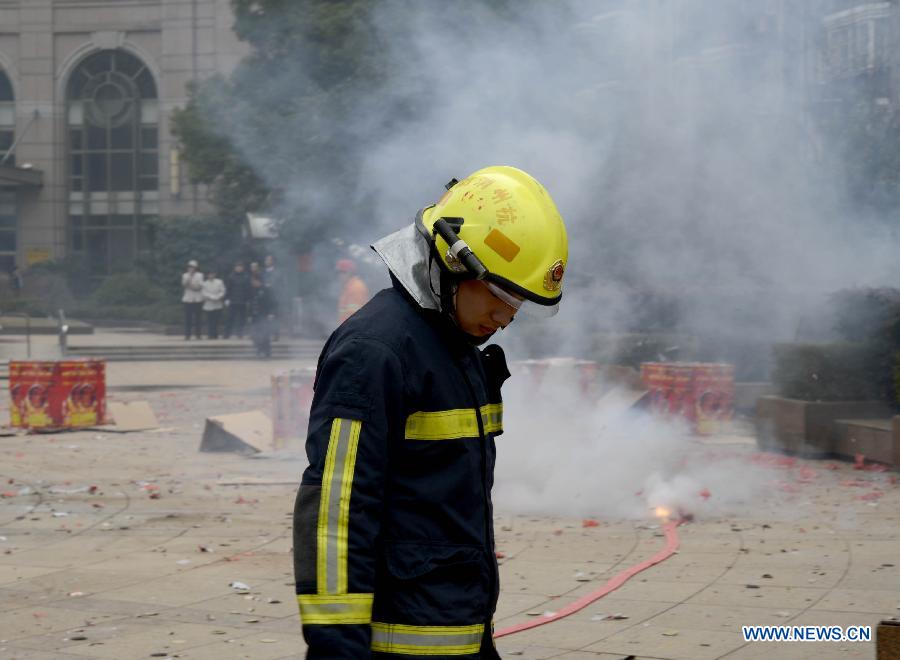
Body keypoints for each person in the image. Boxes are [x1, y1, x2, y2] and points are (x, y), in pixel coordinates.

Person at [292, 166, 569, 657]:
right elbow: (336, 515)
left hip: (456, 629)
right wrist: (337, 648)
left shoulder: (454, 343)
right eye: (503, 296)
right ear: (451, 260)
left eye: (521, 304)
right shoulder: (374, 352)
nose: (507, 318)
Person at [335, 258, 370, 325]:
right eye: (338, 272)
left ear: (351, 273)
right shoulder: (348, 287)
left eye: (343, 272)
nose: (340, 275)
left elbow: (354, 316)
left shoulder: (356, 288)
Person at [248, 273, 274, 357]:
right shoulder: (252, 290)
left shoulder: (266, 290)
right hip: (255, 316)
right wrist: (249, 315)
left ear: (258, 281)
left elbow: (270, 302)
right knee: (256, 335)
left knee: (265, 334)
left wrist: (270, 313)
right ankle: (259, 350)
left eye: (254, 281)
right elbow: (250, 303)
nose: (252, 283)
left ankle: (267, 351)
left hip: (264, 315)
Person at [224, 260, 251, 339]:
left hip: (243, 301)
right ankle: (226, 334)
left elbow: (248, 289)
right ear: (235, 268)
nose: (239, 268)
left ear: (242, 268)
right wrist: (227, 299)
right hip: (233, 300)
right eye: (237, 267)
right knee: (230, 318)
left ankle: (240, 334)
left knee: (242, 319)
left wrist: (248, 300)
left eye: (240, 267)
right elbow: (228, 289)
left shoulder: (246, 277)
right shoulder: (231, 276)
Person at [181, 259, 204, 339]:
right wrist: (190, 278)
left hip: (198, 299)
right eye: (190, 267)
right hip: (188, 299)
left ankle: (198, 335)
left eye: (193, 267)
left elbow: (199, 287)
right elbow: (184, 284)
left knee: (198, 318)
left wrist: (191, 286)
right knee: (188, 318)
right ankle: (187, 335)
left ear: (196, 268)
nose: (191, 269)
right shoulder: (185, 275)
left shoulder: (200, 275)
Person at [202, 268, 226, 339]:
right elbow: (203, 293)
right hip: (208, 304)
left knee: (216, 320)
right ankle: (210, 334)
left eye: (212, 274)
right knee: (209, 320)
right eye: (209, 274)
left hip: (218, 304)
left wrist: (218, 297)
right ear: (207, 275)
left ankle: (215, 335)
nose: (211, 275)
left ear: (214, 274)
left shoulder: (219, 282)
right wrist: (211, 297)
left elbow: (223, 291)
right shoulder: (204, 283)